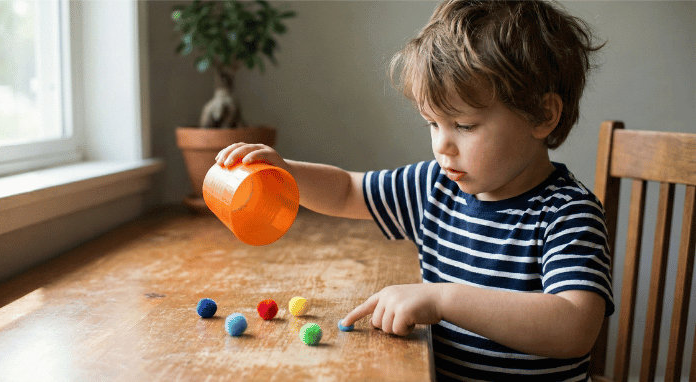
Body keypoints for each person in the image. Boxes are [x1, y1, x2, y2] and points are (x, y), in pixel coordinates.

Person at [215, 0, 614, 380]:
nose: (442, 144)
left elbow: (574, 327)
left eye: (464, 125)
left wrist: (442, 299)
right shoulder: (435, 186)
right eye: (432, 123)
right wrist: (286, 172)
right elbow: (346, 191)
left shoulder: (569, 213)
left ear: (543, 115)